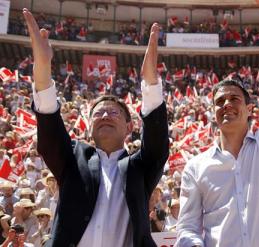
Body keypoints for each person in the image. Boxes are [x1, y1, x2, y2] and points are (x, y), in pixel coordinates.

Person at [22, 7, 169, 247]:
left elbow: (157, 138)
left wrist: (150, 83)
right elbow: (49, 123)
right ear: (89, 127)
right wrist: (43, 70)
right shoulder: (74, 159)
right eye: (98, 113)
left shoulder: (140, 167)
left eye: (114, 112)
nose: (105, 115)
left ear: (129, 126)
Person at [176, 0, 259, 246]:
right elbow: (188, 227)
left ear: (249, 109)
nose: (226, 104)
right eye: (220, 101)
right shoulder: (195, 167)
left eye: (234, 98)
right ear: (213, 113)